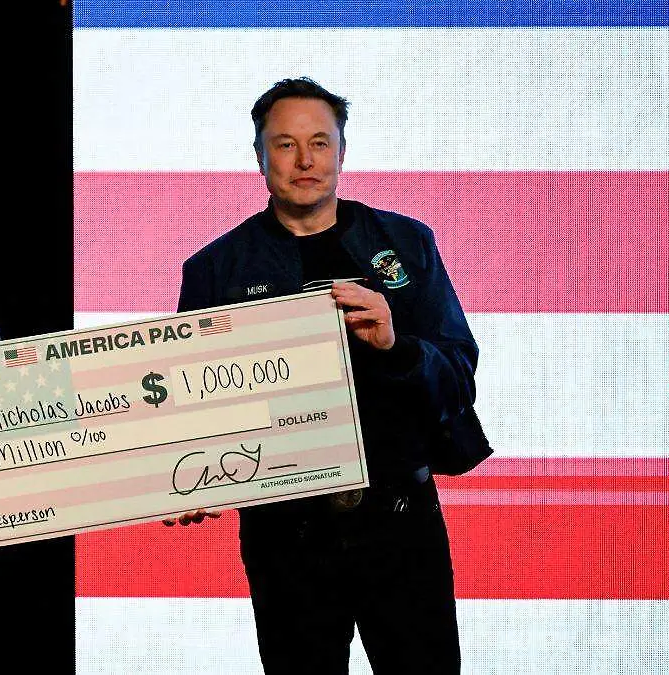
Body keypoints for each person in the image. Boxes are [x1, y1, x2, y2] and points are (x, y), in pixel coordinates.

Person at [170, 77, 478, 673]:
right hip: (285, 534)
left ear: (342, 151)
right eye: (285, 144)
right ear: (259, 156)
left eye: (319, 143)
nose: (305, 161)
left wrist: (395, 345)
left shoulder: (407, 244)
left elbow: (459, 377)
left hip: (401, 521)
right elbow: (194, 408)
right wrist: (187, 478)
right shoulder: (214, 269)